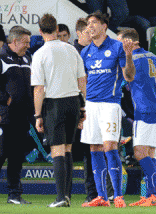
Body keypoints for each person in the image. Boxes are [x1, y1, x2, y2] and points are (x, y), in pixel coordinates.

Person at [80, 11, 136, 208]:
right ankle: (102, 197)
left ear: (104, 26)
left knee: (110, 147)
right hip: (91, 105)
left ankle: (118, 196)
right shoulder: (85, 52)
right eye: (88, 23)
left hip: (110, 104)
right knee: (94, 148)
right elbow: (83, 81)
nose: (90, 26)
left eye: (94, 22)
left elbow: (128, 77)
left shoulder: (117, 47)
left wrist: (129, 56)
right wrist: (82, 106)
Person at [31, 13, 87, 207]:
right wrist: (83, 106)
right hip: (73, 101)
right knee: (68, 148)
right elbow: (82, 80)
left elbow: (39, 88)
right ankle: (67, 195)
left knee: (57, 150)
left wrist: (38, 115)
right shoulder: (72, 50)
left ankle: (60, 197)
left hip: (54, 104)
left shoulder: (40, 54)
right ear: (56, 29)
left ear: (40, 31)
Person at [117, 29, 156, 207]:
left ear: (129, 42)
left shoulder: (132, 58)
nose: (118, 46)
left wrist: (127, 57)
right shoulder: (153, 57)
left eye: (120, 42)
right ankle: (154, 194)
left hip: (143, 111)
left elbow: (128, 76)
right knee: (149, 154)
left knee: (139, 152)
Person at [0, 26, 32, 205]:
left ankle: (14, 195)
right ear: (14, 41)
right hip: (4, 117)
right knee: (1, 154)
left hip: (22, 118)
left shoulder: (27, 58)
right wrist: (5, 100)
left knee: (16, 158)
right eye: (25, 42)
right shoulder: (1, 57)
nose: (28, 45)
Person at [73, 17, 98, 203]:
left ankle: (95, 194)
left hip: (95, 107)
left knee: (94, 151)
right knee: (67, 152)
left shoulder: (95, 51)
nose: (91, 35)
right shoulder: (72, 53)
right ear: (79, 33)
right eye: (87, 32)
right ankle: (64, 194)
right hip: (76, 108)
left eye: (92, 31)